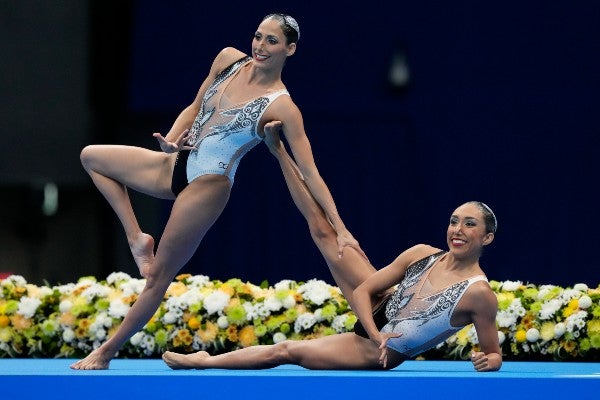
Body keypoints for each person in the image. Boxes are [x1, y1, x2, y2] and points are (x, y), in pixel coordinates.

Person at [71, 13, 364, 370]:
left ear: (290, 49)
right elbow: (194, 108)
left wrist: (341, 227)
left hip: (209, 183)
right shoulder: (228, 59)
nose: (260, 46)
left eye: (272, 41)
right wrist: (172, 140)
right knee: (93, 158)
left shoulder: (281, 106)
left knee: (158, 275)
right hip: (176, 164)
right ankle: (137, 238)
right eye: (258, 36)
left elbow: (311, 173)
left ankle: (106, 352)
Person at [162, 126, 503, 371]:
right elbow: (368, 287)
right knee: (324, 229)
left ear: (486, 238)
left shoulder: (478, 294)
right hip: (376, 316)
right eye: (454, 221)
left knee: (287, 351)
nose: (457, 230)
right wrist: (374, 327)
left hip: (373, 351)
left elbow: (493, 353)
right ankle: (277, 148)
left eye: (469, 225)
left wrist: (487, 361)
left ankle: (205, 362)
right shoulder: (422, 254)